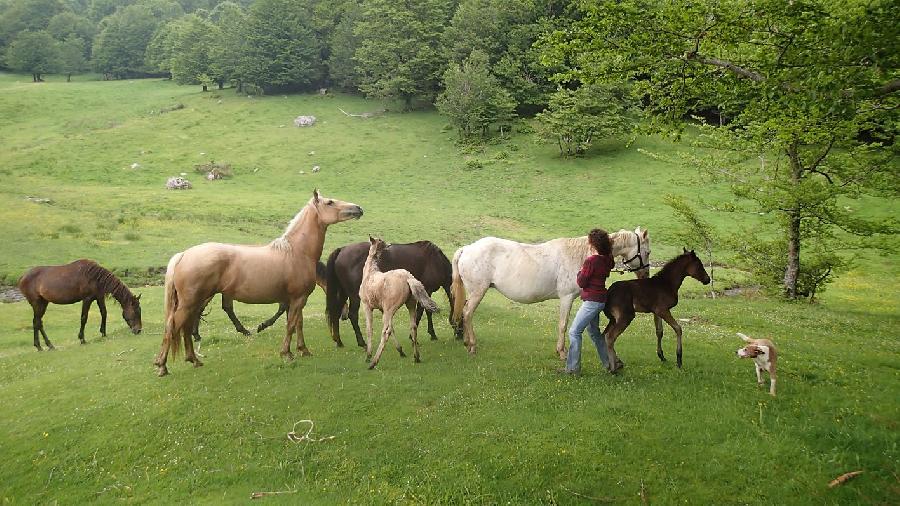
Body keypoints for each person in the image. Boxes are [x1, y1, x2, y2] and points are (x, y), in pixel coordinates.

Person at [559, 228, 614, 375]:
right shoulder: (607, 259)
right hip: (600, 300)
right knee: (594, 333)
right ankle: (611, 363)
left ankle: (572, 369)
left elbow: (581, 282)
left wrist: (580, 270)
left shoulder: (591, 261)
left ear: (592, 244)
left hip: (591, 301)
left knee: (574, 332)